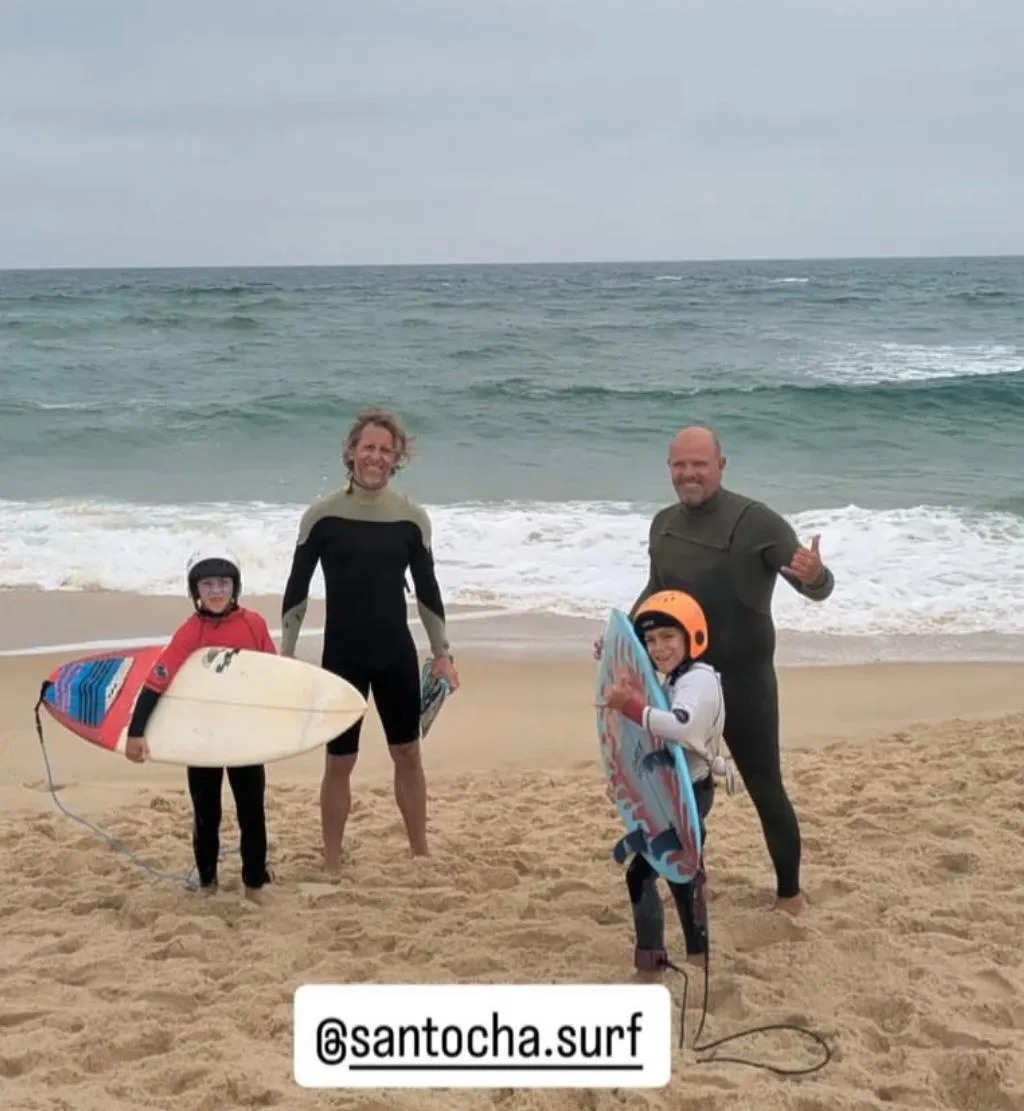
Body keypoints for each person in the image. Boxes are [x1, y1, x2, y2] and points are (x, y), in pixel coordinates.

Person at [596, 426, 834, 916]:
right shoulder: (663, 524)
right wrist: (623, 637)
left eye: (699, 464)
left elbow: (815, 586)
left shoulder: (757, 523)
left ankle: (789, 893)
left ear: (721, 465)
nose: (689, 474)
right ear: (669, 468)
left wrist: (817, 576)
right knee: (680, 790)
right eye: (679, 465)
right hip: (683, 687)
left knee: (765, 785)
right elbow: (656, 596)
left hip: (745, 684)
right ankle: (688, 876)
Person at [280, 407, 459, 868]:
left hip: (394, 653)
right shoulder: (322, 517)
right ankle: (334, 858)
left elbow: (428, 592)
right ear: (350, 452)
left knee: (408, 754)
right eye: (368, 448)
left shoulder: (411, 519)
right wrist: (287, 653)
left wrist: (443, 653)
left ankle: (419, 850)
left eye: (385, 450)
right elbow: (296, 590)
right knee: (339, 762)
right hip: (343, 655)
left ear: (397, 457)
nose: (375, 457)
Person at [124, 549, 276, 903]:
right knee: (207, 812)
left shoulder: (253, 623)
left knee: (251, 810)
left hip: (244, 736)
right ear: (196, 590)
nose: (217, 591)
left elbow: (274, 675)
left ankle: (254, 882)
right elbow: (156, 682)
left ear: (235, 586)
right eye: (208, 584)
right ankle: (208, 881)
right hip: (202, 737)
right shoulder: (190, 632)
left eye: (223, 582)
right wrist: (136, 733)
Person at [601, 589, 738, 978]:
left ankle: (653, 964)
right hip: (673, 788)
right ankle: (697, 957)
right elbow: (648, 740)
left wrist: (626, 705)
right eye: (651, 640)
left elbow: (680, 726)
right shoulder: (678, 677)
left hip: (690, 792)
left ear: (691, 637)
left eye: (668, 637)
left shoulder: (699, 682)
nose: (658, 647)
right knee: (682, 874)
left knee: (644, 873)